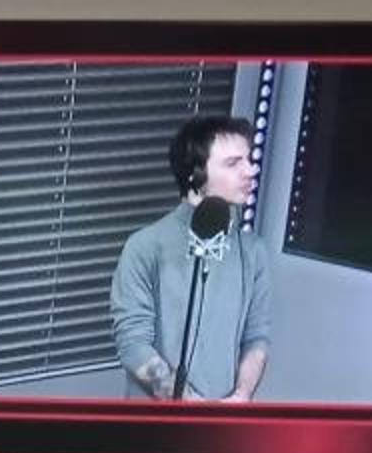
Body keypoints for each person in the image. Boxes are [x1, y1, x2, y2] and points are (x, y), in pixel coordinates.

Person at [111, 113, 274, 402]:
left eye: (248, 160)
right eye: (233, 163)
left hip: (224, 422)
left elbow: (256, 338)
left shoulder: (254, 252)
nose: (250, 171)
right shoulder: (144, 247)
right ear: (196, 174)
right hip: (158, 422)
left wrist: (241, 395)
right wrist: (188, 403)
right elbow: (134, 344)